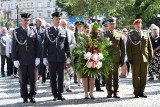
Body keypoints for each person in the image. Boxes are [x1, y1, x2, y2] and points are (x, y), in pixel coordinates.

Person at [12, 13, 40, 103]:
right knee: (23, 79)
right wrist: (15, 59)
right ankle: (24, 96)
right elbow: (14, 47)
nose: (27, 21)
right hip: (21, 59)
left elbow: (38, 45)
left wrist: (38, 57)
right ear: (21, 20)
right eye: (25, 20)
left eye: (28, 20)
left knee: (32, 79)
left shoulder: (33, 30)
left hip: (32, 59)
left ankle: (32, 95)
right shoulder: (17, 31)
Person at [43, 11, 71, 101]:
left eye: (59, 19)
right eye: (57, 19)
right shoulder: (48, 31)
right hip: (51, 58)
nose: (58, 20)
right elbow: (45, 46)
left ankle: (60, 93)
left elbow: (66, 45)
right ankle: (54, 94)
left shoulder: (63, 30)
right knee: (53, 77)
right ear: (53, 19)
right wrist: (44, 57)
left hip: (61, 58)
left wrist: (69, 56)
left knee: (61, 77)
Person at [126, 19, 153, 98]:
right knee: (135, 76)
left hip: (144, 57)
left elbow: (149, 46)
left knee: (144, 76)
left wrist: (151, 55)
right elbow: (128, 47)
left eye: (139, 24)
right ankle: (136, 92)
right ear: (134, 25)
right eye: (137, 24)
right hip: (135, 58)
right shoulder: (131, 34)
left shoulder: (146, 33)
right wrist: (130, 58)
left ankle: (142, 91)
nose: (138, 25)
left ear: (141, 25)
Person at [103, 17, 125, 98]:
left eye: (113, 24)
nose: (111, 25)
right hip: (107, 59)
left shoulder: (119, 34)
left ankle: (116, 92)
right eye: (110, 24)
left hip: (116, 59)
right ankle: (109, 92)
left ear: (115, 24)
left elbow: (122, 48)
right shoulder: (104, 34)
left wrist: (122, 59)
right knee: (108, 76)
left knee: (116, 76)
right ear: (107, 25)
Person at [81, 23, 95, 99]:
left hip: (93, 59)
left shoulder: (93, 37)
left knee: (92, 77)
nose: (87, 29)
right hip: (83, 60)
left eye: (88, 28)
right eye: (86, 28)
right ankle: (86, 93)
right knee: (84, 77)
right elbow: (78, 48)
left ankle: (91, 93)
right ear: (83, 29)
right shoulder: (81, 37)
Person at [35, 18, 46, 83]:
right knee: (36, 65)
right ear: (36, 22)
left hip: (41, 50)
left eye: (41, 22)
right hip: (34, 50)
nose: (40, 23)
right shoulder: (33, 29)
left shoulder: (43, 30)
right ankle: (35, 77)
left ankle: (42, 77)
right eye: (39, 21)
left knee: (42, 64)